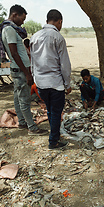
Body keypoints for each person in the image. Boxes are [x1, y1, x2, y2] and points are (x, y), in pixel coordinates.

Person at [0, 4, 47, 136]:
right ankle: (32, 127)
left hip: (18, 69)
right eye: (22, 19)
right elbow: (14, 53)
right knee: (24, 99)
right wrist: (26, 72)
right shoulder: (10, 30)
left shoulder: (9, 29)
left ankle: (23, 122)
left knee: (18, 98)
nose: (23, 22)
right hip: (20, 70)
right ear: (14, 15)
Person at [30, 9, 72, 149]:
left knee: (49, 110)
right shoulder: (57, 37)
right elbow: (64, 64)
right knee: (55, 112)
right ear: (59, 21)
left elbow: (32, 62)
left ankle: (54, 135)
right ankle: (53, 141)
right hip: (55, 83)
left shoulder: (34, 37)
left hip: (41, 82)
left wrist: (35, 78)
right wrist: (67, 84)